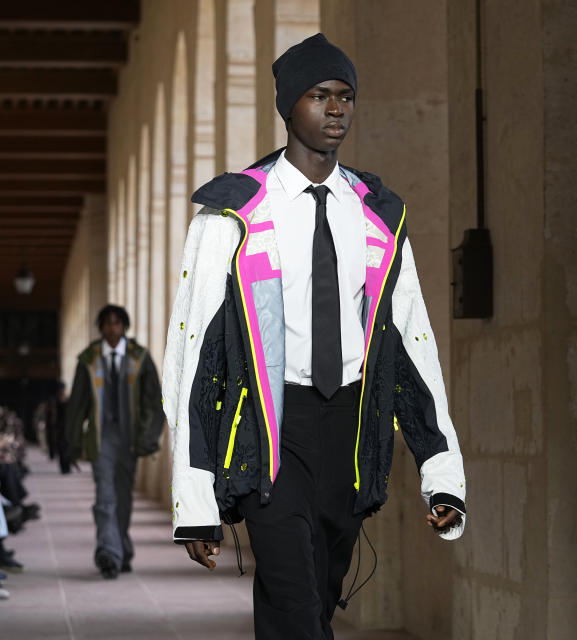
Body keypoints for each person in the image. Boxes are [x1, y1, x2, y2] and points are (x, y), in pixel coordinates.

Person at [163, 33, 467, 639]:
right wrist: (194, 501)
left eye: (345, 96)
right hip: (273, 429)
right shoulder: (236, 213)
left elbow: (411, 345)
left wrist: (441, 472)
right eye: (319, 95)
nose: (335, 110)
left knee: (314, 601)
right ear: (287, 106)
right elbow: (193, 354)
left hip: (352, 434)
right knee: (295, 601)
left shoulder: (378, 212)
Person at [65, 304, 164, 578]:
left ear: (124, 327)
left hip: (129, 439)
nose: (112, 328)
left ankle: (121, 547)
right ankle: (108, 553)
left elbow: (154, 400)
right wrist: (72, 444)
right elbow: (77, 404)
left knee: (123, 497)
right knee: (105, 496)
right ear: (100, 328)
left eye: (117, 323)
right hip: (100, 439)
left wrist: (149, 436)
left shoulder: (139, 358)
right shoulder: (89, 359)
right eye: (107, 323)